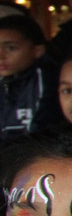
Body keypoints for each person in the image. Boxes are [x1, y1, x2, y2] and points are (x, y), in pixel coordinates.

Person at [0, 15, 60, 143]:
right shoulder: (4, 82)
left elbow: (41, 128)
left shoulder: (46, 79)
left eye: (11, 48)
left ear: (37, 50)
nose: (1, 56)